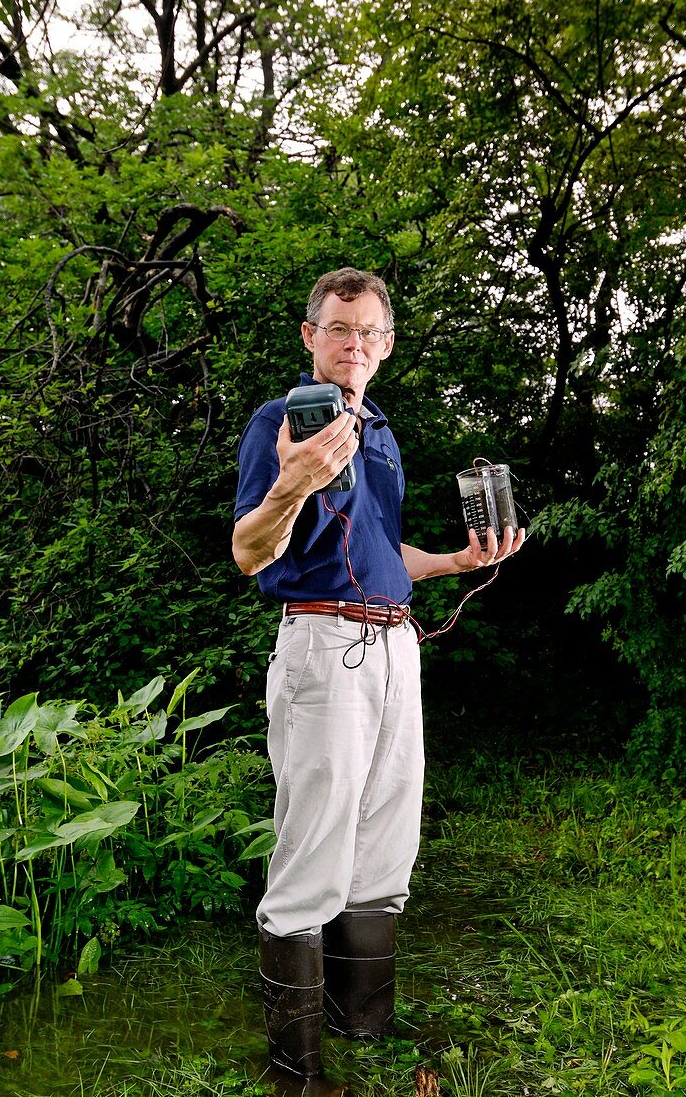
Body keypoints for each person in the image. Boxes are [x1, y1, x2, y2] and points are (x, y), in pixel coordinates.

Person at [232, 268, 524, 1089]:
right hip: (322, 647)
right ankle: (297, 1070)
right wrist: (294, 479)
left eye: (367, 332)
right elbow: (249, 551)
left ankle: (364, 1025)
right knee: (315, 847)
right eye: (336, 328)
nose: (351, 343)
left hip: (395, 647)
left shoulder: (381, 430)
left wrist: (455, 561)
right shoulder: (282, 422)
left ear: (385, 346)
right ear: (309, 338)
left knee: (385, 845)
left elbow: (379, 552)